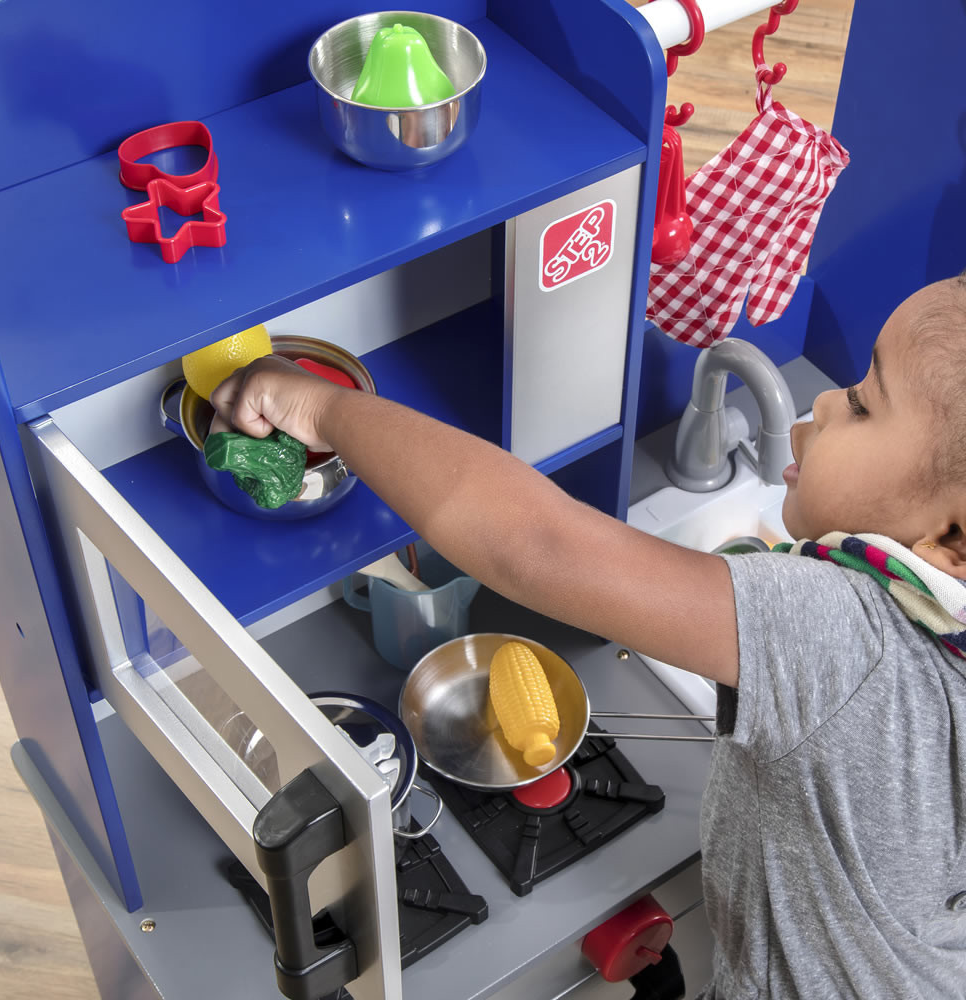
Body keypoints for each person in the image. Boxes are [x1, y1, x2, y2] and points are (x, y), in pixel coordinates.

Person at [210, 275, 966, 999]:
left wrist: (323, 408)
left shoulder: (847, 636)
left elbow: (539, 546)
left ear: (951, 538)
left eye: (866, 405)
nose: (828, 400)